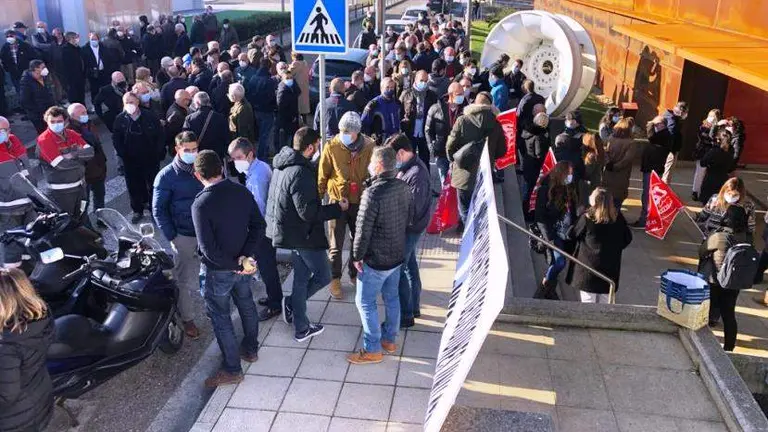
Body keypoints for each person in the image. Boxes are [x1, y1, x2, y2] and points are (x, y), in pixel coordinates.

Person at [192, 149, 261, 387]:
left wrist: (235, 263)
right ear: (221, 168)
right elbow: (258, 225)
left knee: (221, 317)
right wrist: (245, 258)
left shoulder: (201, 204)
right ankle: (251, 348)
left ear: (197, 174)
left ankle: (232, 369)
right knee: (246, 303)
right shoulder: (241, 191)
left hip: (218, 271)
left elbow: (208, 249)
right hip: (243, 265)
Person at [267, 128, 345, 339]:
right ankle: (295, 309)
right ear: (309, 147)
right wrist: (338, 207)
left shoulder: (283, 165)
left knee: (301, 278)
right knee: (324, 275)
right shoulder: (301, 172)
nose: (319, 150)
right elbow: (308, 212)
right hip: (304, 236)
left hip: (292, 234)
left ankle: (299, 321)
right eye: (317, 146)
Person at [347, 146, 413, 365]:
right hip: (396, 255)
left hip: (376, 260)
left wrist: (356, 256)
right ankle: (390, 340)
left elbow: (362, 230)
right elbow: (408, 218)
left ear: (377, 166)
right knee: (391, 297)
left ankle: (373, 348)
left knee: (365, 302)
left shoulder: (372, 193)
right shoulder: (403, 187)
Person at [318, 112, 375, 299]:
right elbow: (323, 175)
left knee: (357, 241)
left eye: (347, 131)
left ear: (356, 133)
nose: (342, 133)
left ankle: (354, 273)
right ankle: (334, 278)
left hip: (360, 200)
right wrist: (318, 200)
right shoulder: (331, 146)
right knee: (335, 243)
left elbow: (374, 172)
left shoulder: (369, 146)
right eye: (341, 130)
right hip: (337, 201)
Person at [152, 131, 203, 339]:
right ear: (177, 150)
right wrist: (172, 236)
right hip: (183, 235)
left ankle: (213, 310)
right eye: (187, 150)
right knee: (182, 280)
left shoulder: (203, 167)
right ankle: (187, 318)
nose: (192, 154)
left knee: (210, 274)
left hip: (206, 234)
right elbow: (158, 210)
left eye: (195, 149)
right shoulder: (166, 176)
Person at [228, 138, 283, 321]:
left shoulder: (258, 175)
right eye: (233, 158)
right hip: (263, 227)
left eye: (238, 157)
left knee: (268, 267)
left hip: (263, 230)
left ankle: (276, 304)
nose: (235, 162)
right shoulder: (255, 170)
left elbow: (258, 207)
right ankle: (273, 296)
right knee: (267, 267)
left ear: (250, 154)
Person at [0, 268, 54, 431]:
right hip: (39, 399)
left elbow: (5, 397)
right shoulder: (39, 316)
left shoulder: (6, 347)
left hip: (15, 420)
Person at [386, 134, 430, 328]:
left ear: (401, 153)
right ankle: (414, 307)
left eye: (393, 157)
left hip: (410, 228)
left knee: (400, 267)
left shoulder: (416, 174)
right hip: (409, 227)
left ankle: (406, 315)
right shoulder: (408, 169)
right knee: (410, 265)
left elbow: (414, 209)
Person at [446, 92, 506, 223]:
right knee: (480, 209)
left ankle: (467, 232)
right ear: (490, 105)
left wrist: (454, 159)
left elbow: (450, 145)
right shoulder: (496, 124)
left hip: (463, 173)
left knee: (464, 208)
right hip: (484, 175)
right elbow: (502, 151)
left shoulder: (462, 120)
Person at [567, 187, 632, 303]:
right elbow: (627, 238)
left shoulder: (587, 218)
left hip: (587, 271)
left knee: (588, 305)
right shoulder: (618, 219)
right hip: (609, 271)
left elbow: (572, 234)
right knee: (605, 306)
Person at [699, 205, 750, 351]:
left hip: (715, 280)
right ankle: (729, 347)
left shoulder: (719, 236)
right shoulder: (747, 237)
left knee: (706, 312)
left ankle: (704, 345)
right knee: (729, 315)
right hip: (734, 282)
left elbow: (702, 252)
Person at [113, 92, 165, 222]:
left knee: (152, 185)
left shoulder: (149, 116)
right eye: (127, 102)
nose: (129, 105)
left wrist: (158, 152)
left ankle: (154, 210)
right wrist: (123, 154)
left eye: (132, 101)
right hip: (130, 160)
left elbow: (160, 135)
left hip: (150, 157)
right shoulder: (120, 119)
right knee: (133, 186)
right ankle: (137, 210)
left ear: (137, 102)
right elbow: (116, 139)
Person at [37, 106, 93, 218]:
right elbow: (60, 165)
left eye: (59, 121)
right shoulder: (44, 140)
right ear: (46, 121)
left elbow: (90, 152)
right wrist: (80, 158)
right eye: (52, 121)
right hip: (61, 193)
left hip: (80, 187)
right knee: (66, 222)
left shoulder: (71, 134)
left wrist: (72, 154)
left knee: (81, 216)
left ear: (65, 121)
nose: (55, 124)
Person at [534, 161, 578, 299]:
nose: (570, 177)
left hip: (567, 233)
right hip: (553, 234)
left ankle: (548, 289)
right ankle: (545, 284)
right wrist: (550, 239)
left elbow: (573, 210)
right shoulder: (545, 190)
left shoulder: (569, 188)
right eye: (568, 174)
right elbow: (540, 218)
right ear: (561, 174)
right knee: (559, 262)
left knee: (556, 262)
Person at [0, 117, 36, 267]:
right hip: (8, 208)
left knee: (29, 240)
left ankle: (27, 271)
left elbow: (25, 167)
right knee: (12, 245)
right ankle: (12, 281)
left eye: (3, 130)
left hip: (28, 202)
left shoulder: (13, 141)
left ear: (9, 130)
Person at [632, 115, 672, 228]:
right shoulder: (663, 135)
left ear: (662, 125)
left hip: (652, 169)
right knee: (648, 194)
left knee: (647, 195)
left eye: (656, 124)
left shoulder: (663, 135)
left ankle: (644, 220)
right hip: (652, 168)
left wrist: (650, 123)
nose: (654, 126)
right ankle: (647, 219)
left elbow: (650, 137)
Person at [67, 104, 106, 216]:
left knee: (100, 195)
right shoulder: (69, 131)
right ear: (73, 116)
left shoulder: (88, 124)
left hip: (97, 168)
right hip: (84, 173)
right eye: (82, 113)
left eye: (85, 112)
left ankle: (101, 218)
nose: (86, 115)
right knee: (84, 201)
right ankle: (83, 222)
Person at [426, 82, 467, 186]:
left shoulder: (466, 110)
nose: (462, 97)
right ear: (450, 94)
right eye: (459, 94)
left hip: (458, 152)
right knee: (445, 184)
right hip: (441, 152)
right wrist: (432, 147)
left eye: (462, 94)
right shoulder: (435, 109)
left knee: (457, 183)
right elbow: (428, 130)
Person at [400, 70, 438, 171]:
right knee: (408, 161)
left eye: (426, 81)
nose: (424, 83)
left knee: (425, 160)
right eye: (421, 80)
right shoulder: (406, 94)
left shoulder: (432, 95)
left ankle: (426, 183)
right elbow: (400, 112)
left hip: (425, 133)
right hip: (409, 132)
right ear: (415, 80)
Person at [521, 112, 551, 220]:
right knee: (531, 190)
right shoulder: (539, 136)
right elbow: (539, 154)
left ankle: (525, 208)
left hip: (528, 162)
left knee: (527, 188)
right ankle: (527, 212)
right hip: (535, 167)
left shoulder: (528, 131)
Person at [603, 118, 638, 211]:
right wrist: (616, 166)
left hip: (608, 174)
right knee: (616, 204)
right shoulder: (631, 143)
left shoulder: (610, 139)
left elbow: (605, 153)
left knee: (606, 202)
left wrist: (608, 164)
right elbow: (627, 159)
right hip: (621, 176)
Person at [246, 58, 278, 160]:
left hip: (255, 110)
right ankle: (261, 156)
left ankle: (265, 151)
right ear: (269, 67)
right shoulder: (269, 81)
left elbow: (249, 94)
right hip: (267, 111)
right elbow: (271, 98)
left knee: (261, 133)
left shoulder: (253, 78)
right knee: (265, 135)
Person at [183, 92, 229, 159]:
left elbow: (186, 139)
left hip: (198, 154)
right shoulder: (220, 117)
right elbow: (226, 137)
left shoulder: (189, 119)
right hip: (216, 155)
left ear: (197, 103)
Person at [692, 109, 722, 201]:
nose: (712, 118)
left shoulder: (719, 128)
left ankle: (704, 192)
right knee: (699, 173)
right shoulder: (703, 126)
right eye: (710, 115)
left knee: (708, 175)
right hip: (702, 152)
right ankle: (695, 192)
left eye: (714, 116)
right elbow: (706, 138)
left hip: (713, 154)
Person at [699, 129, 734, 205]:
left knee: (707, 204)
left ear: (718, 140)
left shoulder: (714, 151)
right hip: (724, 180)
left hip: (710, 180)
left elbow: (702, 163)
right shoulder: (731, 151)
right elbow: (731, 167)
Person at [361, 77, 402, 144]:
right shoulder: (374, 104)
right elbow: (364, 123)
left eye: (392, 87)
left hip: (396, 140)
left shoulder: (397, 103)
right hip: (381, 141)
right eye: (387, 87)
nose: (390, 90)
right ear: (381, 88)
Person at [19, 60, 55, 133]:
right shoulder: (26, 82)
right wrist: (38, 111)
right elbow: (24, 101)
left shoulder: (43, 78)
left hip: (49, 112)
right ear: (36, 69)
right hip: (38, 116)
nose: (45, 69)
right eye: (43, 67)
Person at [83, 32, 119, 101]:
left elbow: (109, 58)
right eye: (92, 39)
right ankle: (95, 103)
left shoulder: (103, 47)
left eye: (95, 39)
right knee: (94, 90)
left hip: (104, 71)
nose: (94, 41)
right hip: (93, 73)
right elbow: (84, 62)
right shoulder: (85, 49)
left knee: (106, 88)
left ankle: (108, 102)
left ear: (98, 39)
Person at [516, 80, 546, 155]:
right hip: (539, 124)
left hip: (527, 128)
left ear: (525, 88)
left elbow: (519, 114)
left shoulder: (524, 100)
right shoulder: (541, 98)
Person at [661, 101, 688, 183]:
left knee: (666, 171)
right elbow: (672, 134)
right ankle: (664, 188)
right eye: (685, 112)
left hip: (669, 148)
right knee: (667, 173)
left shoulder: (670, 116)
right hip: (671, 150)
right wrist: (671, 149)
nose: (686, 114)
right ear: (681, 111)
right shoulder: (672, 120)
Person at [275, 67, 301, 150]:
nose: (290, 80)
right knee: (286, 140)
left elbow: (298, 92)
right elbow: (281, 108)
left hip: (293, 118)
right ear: (282, 79)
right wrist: (291, 117)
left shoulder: (291, 87)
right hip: (286, 120)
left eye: (291, 78)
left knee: (292, 138)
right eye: (287, 78)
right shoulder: (282, 91)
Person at [581, 132, 605, 205]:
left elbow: (587, 173)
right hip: (597, 181)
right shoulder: (599, 153)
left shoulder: (591, 156)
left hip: (591, 185)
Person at [165, 89, 191, 156]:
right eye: (188, 100)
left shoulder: (177, 108)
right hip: (178, 148)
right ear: (184, 100)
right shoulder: (177, 115)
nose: (189, 102)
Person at [290, 53, 311, 125]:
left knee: (297, 107)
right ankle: (305, 123)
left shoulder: (295, 64)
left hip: (296, 88)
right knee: (303, 108)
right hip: (304, 88)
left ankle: (297, 124)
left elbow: (288, 73)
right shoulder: (305, 63)